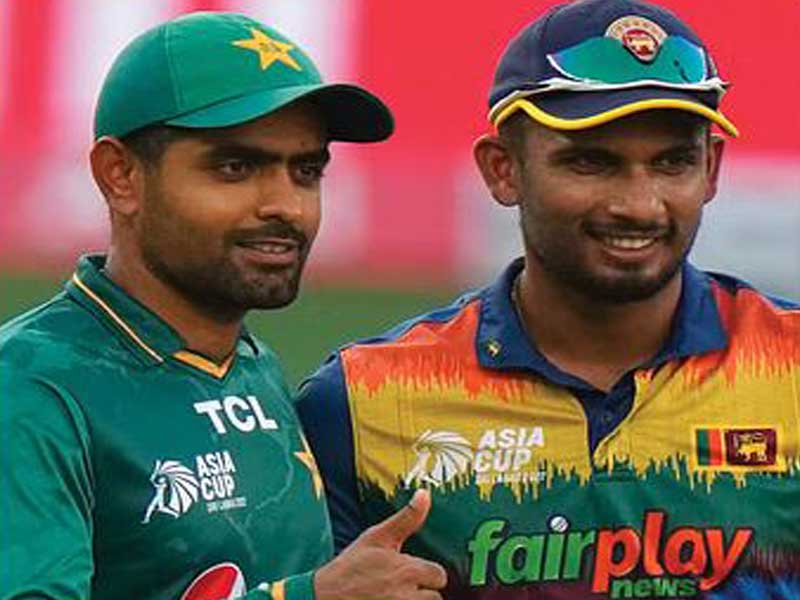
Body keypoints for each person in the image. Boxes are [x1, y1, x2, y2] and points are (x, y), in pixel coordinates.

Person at [296, 0, 800, 598]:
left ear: (711, 169)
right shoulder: (359, 403)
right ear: (502, 170)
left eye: (674, 163)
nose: (639, 205)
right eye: (591, 162)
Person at [0, 12, 447, 600]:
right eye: (236, 168)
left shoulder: (253, 367)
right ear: (120, 176)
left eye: (306, 171)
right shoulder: (30, 388)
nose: (286, 205)